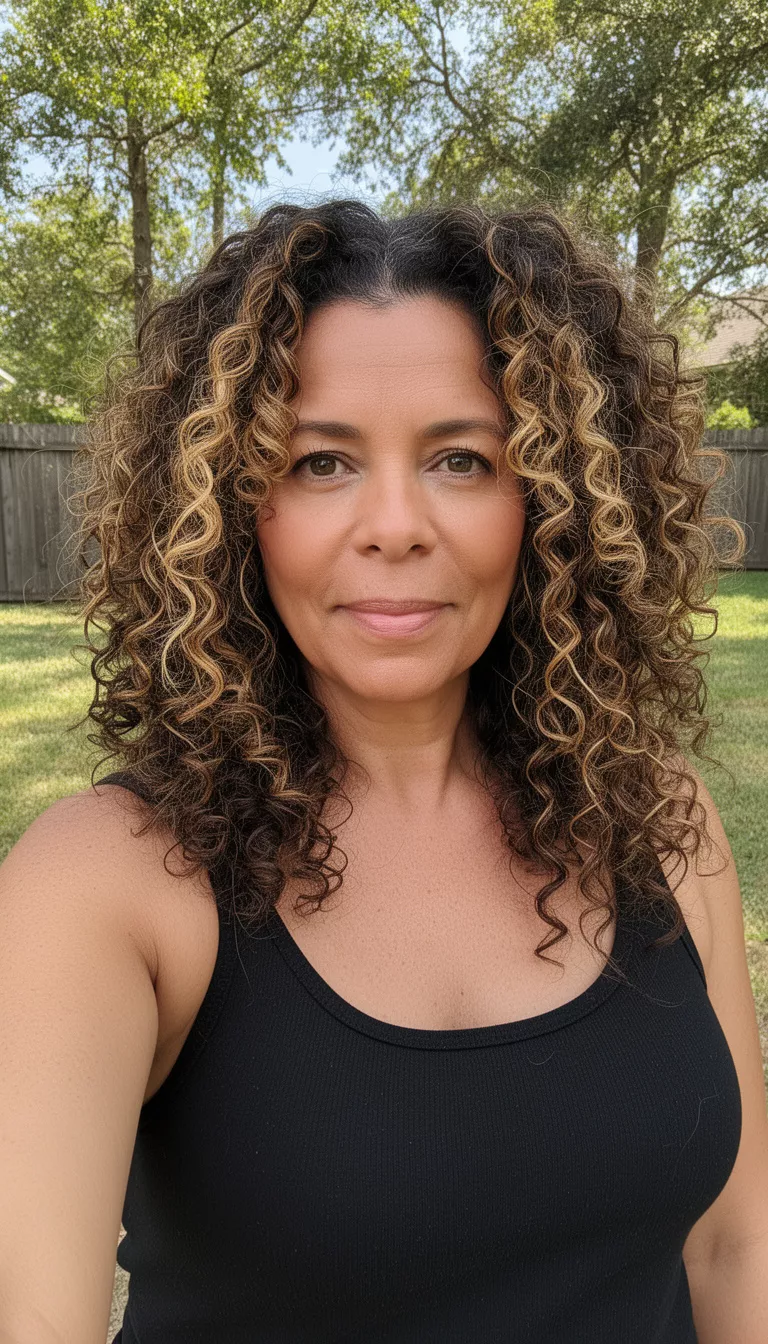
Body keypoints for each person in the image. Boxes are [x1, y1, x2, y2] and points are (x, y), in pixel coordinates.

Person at [1, 199, 766, 1344]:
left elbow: (732, 1245)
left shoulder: (658, 816)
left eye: (462, 459)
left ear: (553, 499)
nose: (396, 525)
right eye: (321, 462)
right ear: (228, 506)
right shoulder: (106, 883)